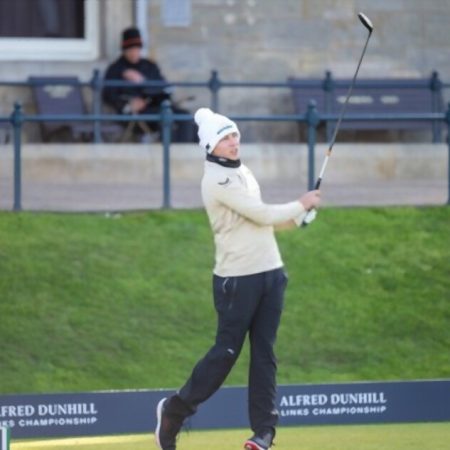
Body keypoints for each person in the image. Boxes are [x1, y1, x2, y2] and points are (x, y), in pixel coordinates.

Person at [155, 108, 321, 450]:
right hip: (236, 279)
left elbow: (262, 222)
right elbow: (261, 212)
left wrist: (299, 218)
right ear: (210, 145)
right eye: (225, 138)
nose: (233, 142)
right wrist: (300, 202)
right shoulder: (216, 179)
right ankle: (175, 410)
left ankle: (264, 432)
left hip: (271, 273)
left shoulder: (242, 170)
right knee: (225, 353)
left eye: (234, 136)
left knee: (265, 353)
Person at [102, 27, 196, 143]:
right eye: (130, 49)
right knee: (165, 120)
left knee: (185, 117)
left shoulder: (149, 66)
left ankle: (183, 152)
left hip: (158, 106)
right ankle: (168, 155)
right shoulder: (115, 69)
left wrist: (143, 81)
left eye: (136, 49)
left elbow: (163, 87)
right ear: (124, 50)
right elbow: (108, 94)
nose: (134, 53)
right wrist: (128, 105)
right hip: (136, 114)